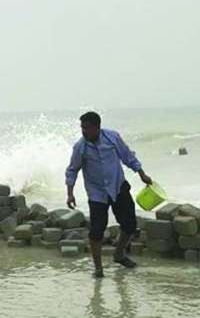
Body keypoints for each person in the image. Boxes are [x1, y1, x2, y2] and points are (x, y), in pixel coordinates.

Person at [65, 111, 152, 278]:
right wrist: (70, 193)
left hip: (118, 186)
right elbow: (72, 170)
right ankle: (98, 268)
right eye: (82, 128)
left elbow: (128, 156)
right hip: (97, 194)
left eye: (87, 128)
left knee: (130, 225)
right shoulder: (80, 147)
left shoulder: (112, 138)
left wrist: (141, 174)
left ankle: (118, 254)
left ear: (97, 127)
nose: (84, 131)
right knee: (96, 231)